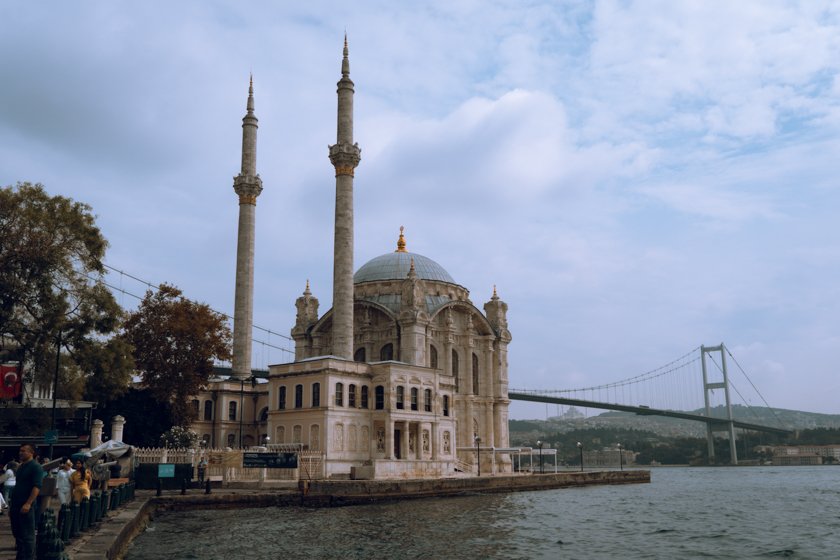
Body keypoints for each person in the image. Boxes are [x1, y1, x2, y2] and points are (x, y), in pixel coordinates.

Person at [9, 443, 44, 560]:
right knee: (17, 533)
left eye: (23, 451)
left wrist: (28, 503)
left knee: (27, 535)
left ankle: (29, 557)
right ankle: (21, 556)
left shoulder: (35, 467)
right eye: (20, 451)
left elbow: (36, 487)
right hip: (15, 505)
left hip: (26, 505)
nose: (21, 453)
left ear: (31, 453)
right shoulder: (21, 466)